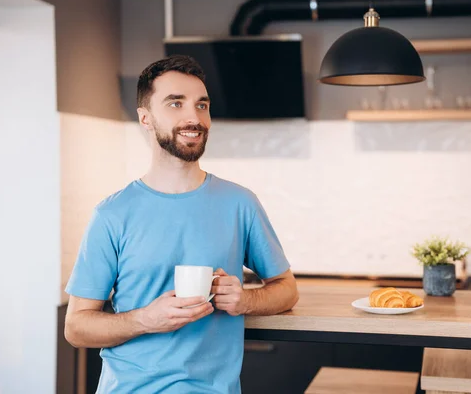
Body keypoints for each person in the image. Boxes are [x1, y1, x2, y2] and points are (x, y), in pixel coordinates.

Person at [64, 55, 299, 394]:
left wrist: (245, 301)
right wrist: (146, 319)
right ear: (145, 118)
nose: (194, 117)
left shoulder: (239, 203)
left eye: (202, 105)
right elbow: (76, 327)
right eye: (176, 103)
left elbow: (287, 288)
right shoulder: (112, 214)